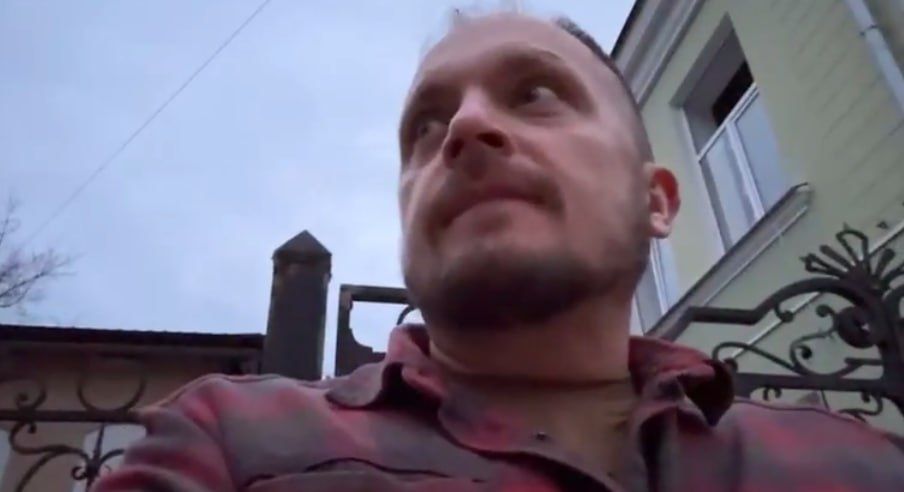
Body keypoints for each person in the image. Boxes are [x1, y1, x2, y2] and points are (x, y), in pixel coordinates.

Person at [93, 11, 904, 492]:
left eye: (536, 94)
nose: (465, 129)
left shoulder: (852, 467)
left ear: (656, 199)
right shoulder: (234, 441)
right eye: (425, 126)